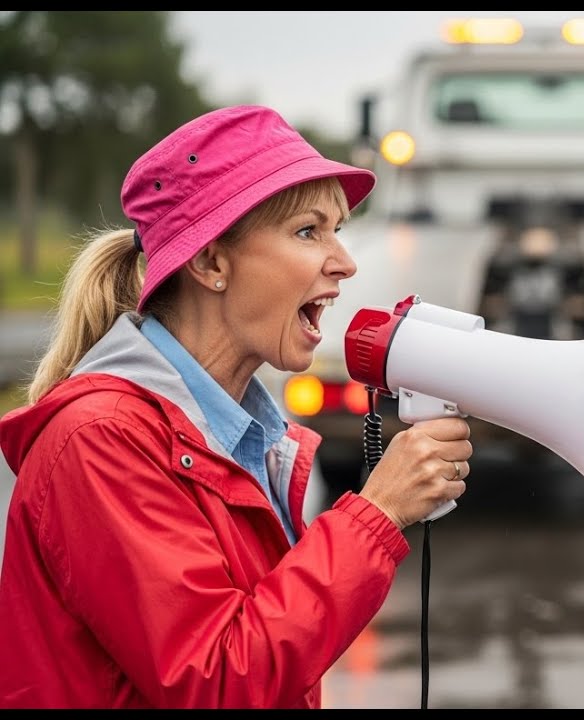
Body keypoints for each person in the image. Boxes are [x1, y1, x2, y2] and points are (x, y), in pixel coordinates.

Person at [0, 105, 474, 709]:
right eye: (309, 231)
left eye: (338, 230)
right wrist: (377, 513)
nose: (345, 262)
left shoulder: (236, 436)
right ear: (210, 262)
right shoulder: (100, 440)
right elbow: (221, 678)